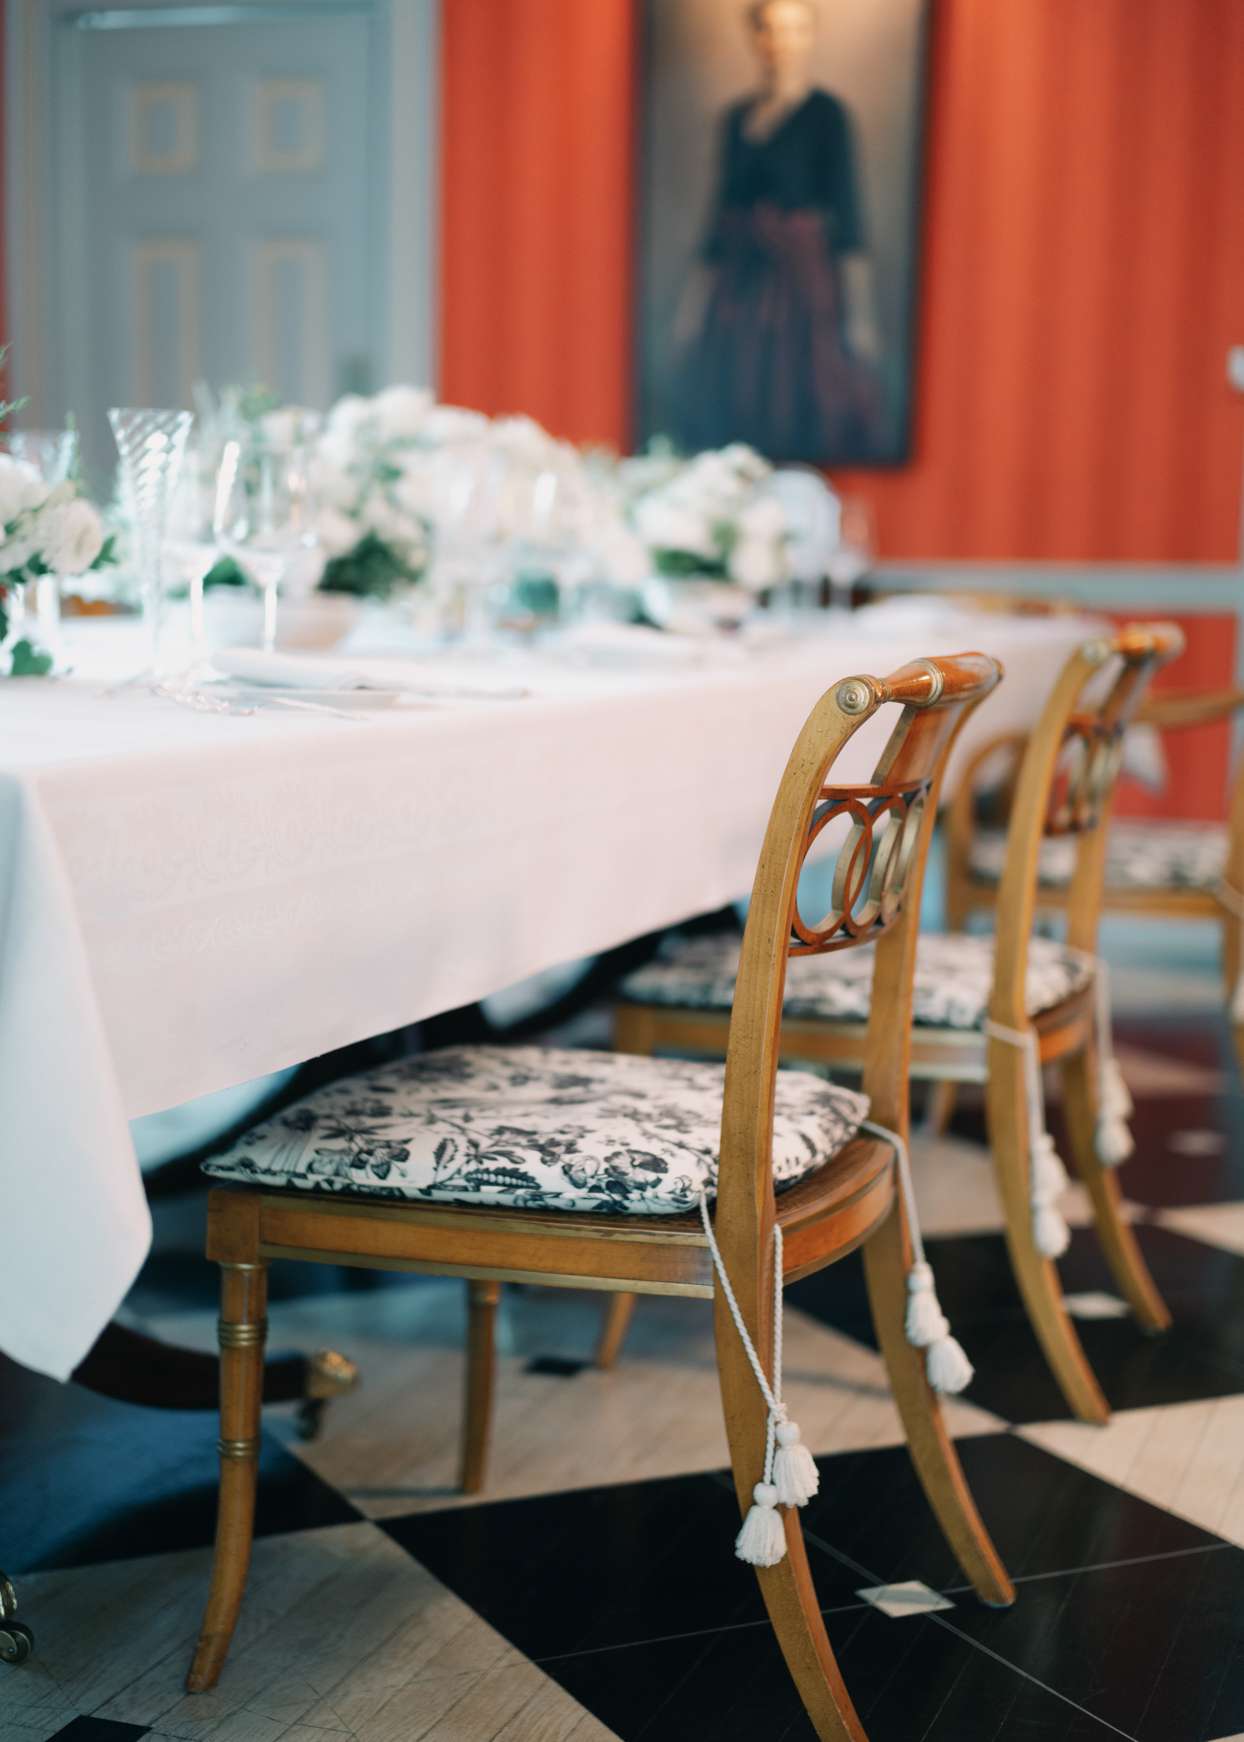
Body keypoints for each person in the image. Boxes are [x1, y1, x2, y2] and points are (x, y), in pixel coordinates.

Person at [673, 0, 885, 461]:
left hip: (799, 278)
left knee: (797, 384)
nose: (782, 43)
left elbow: (847, 217)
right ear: (757, 40)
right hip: (740, 278)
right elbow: (718, 215)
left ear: (809, 38)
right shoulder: (736, 118)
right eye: (771, 31)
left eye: (794, 31)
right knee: (735, 383)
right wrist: (692, 306)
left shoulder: (826, 114)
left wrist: (861, 315)